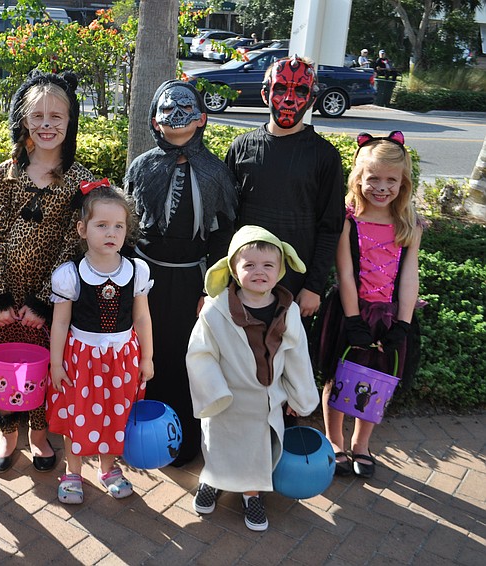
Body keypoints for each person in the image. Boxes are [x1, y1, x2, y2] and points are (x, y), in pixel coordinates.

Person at [0, 70, 95, 474]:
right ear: (23, 119)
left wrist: (44, 302)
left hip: (49, 295)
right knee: (4, 366)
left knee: (44, 364)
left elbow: (73, 244)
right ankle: (7, 434)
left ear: (70, 121)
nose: (46, 125)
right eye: (37, 116)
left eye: (56, 116)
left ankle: (39, 435)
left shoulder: (80, 180)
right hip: (7, 288)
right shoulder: (8, 172)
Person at [125, 79, 238, 467]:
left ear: (202, 118)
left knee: (185, 356)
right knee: (146, 352)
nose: (176, 115)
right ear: (154, 120)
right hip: (146, 278)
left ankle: (181, 438)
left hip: (192, 280)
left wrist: (212, 288)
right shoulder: (142, 166)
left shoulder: (215, 171)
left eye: (185, 108)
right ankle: (142, 433)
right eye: (167, 109)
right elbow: (127, 225)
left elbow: (223, 234)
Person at [186, 225, 320, 532]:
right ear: (234, 270)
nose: (259, 272)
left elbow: (297, 355)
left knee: (257, 451)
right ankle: (212, 480)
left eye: (268, 265)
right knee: (217, 444)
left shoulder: (288, 311)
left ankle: (252, 493)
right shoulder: (216, 311)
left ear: (280, 270)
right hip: (227, 398)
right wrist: (215, 391)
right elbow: (200, 353)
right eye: (249, 265)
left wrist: (299, 396)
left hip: (265, 400)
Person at [313, 131, 422, 479]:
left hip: (390, 315)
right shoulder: (348, 221)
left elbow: (409, 277)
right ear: (359, 177)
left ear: (403, 183)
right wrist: (353, 320)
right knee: (339, 375)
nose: (382, 187)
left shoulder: (409, 225)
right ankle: (334, 440)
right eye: (373, 178)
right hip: (350, 311)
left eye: (391, 180)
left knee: (379, 379)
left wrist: (402, 324)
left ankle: (361, 444)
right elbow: (345, 273)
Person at [48, 181, 154, 504]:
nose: (111, 233)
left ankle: (108, 468)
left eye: (119, 226)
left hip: (122, 358)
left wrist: (147, 357)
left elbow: (142, 318)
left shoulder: (136, 271)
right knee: (76, 413)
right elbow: (61, 322)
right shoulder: (70, 275)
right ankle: (73, 471)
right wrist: (55, 364)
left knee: (115, 414)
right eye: (102, 225)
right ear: (83, 229)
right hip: (81, 359)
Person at [226, 55, 344, 324]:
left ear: (312, 99)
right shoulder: (241, 147)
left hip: (295, 285)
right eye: (280, 88)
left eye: (300, 91)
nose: (289, 99)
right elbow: (226, 219)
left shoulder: (324, 156)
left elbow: (330, 226)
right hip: (244, 280)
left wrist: (314, 286)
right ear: (265, 93)